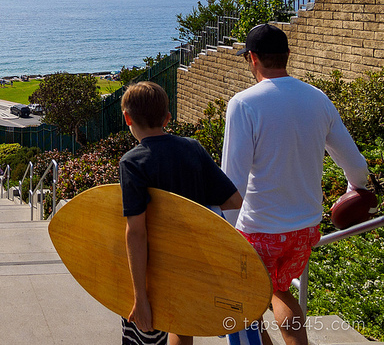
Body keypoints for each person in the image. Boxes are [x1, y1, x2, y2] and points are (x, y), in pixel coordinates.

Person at [222, 23, 370, 345]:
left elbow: (232, 180)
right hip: (304, 229)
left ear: (252, 58)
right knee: (279, 290)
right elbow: (357, 167)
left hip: (257, 229)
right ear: (287, 55)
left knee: (247, 304)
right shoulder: (317, 99)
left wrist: (228, 238)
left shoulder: (244, 104)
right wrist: (352, 191)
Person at [120, 82, 242, 345]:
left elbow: (137, 231)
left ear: (127, 118)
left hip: (155, 268)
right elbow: (233, 200)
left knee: (145, 335)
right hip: (192, 261)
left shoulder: (132, 161)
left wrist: (139, 297)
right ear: (167, 118)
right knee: (182, 326)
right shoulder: (192, 148)